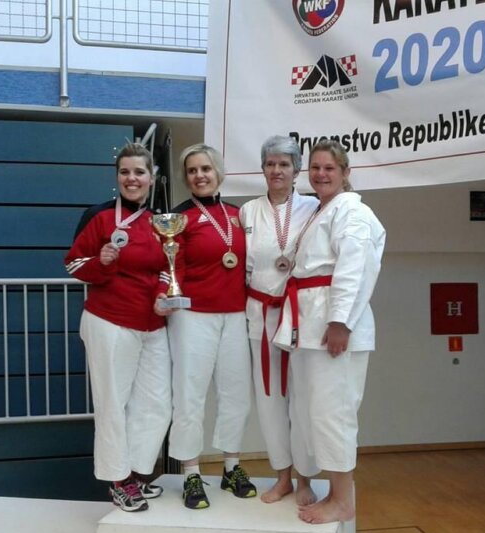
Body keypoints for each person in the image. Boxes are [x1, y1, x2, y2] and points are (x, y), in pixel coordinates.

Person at [273, 139, 385, 524]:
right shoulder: (323, 210)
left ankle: (342, 499)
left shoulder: (353, 212)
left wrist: (341, 322)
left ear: (346, 173)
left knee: (334, 412)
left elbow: (354, 270)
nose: (321, 174)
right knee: (313, 411)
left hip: (333, 326)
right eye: (316, 168)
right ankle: (331, 491)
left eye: (329, 168)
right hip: (310, 323)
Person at [65, 142, 173, 512]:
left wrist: (162, 294)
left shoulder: (160, 221)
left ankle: (138, 475)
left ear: (151, 177)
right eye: (125, 172)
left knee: (157, 404)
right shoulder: (98, 216)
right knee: (113, 404)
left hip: (152, 324)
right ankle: (118, 480)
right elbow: (73, 264)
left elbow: (167, 268)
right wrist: (102, 261)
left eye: (139, 172)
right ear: (117, 177)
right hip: (109, 321)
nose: (132, 178)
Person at [165, 143, 256, 509]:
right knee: (190, 396)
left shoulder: (239, 215)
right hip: (192, 316)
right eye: (192, 170)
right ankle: (191, 472)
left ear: (218, 171)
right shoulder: (177, 218)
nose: (199, 175)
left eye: (205, 168)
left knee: (237, 394)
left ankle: (231, 467)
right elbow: (169, 269)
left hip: (235, 315)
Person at [240, 135, 320, 505]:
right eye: (270, 164)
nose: (277, 170)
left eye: (284, 164)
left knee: (301, 398)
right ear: (262, 169)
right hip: (260, 313)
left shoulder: (314, 207)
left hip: (300, 314)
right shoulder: (248, 211)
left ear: (296, 170)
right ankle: (282, 477)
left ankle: (305, 480)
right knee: (269, 398)